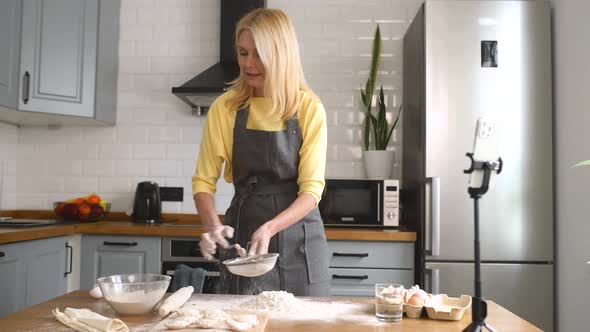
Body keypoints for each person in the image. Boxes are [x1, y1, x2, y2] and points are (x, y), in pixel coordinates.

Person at [192, 8, 329, 296]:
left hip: (301, 242)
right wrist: (213, 226)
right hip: (245, 241)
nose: (249, 64)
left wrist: (270, 229)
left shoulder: (308, 109)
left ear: (281, 56)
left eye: (259, 54)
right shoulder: (226, 108)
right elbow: (203, 183)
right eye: (243, 53)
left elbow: (312, 192)